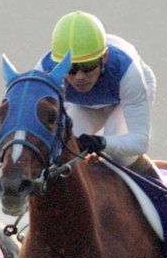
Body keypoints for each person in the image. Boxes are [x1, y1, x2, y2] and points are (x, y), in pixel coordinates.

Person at [35, 11, 157, 172]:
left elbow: (140, 142)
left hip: (123, 99)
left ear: (104, 57)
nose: (79, 77)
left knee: (119, 157)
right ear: (58, 63)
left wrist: (102, 143)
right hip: (83, 105)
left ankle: (160, 193)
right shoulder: (46, 71)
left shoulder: (127, 72)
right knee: (64, 152)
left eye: (88, 66)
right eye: (70, 68)